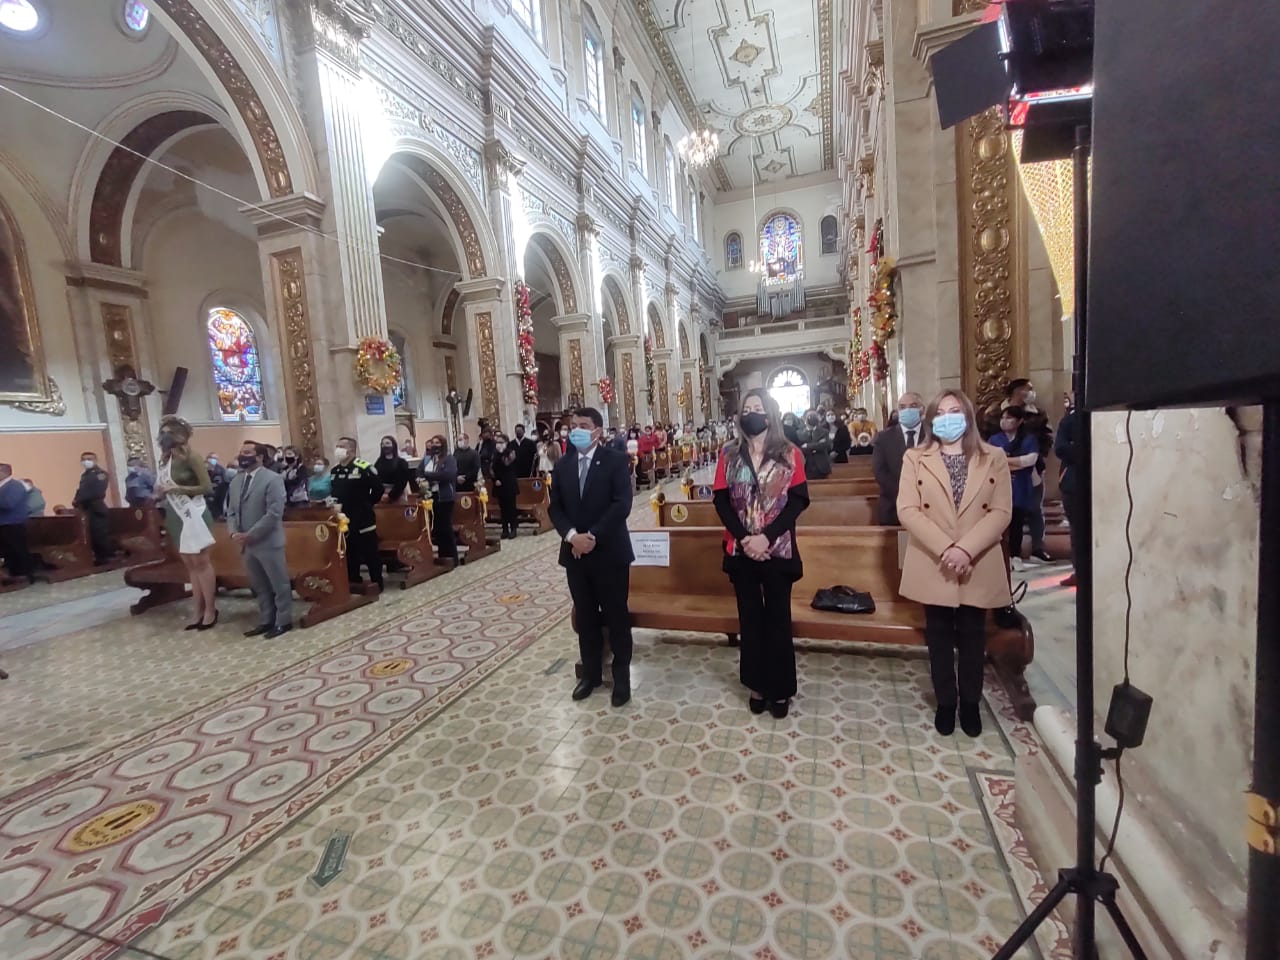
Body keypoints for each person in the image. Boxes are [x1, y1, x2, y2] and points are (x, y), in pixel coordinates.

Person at [897, 389, 1012, 737]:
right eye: (942, 412)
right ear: (932, 419)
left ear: (968, 415)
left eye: (956, 410)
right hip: (936, 558)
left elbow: (1002, 511)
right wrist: (948, 547)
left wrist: (965, 550)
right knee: (940, 637)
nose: (949, 417)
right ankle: (946, 702)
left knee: (974, 637)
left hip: (976, 558)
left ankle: (971, 703)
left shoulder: (993, 456)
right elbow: (907, 509)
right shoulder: (916, 457)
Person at [712, 389, 810, 718]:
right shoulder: (729, 455)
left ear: (769, 413)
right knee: (750, 620)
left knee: (778, 621)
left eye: (757, 407)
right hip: (741, 552)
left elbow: (798, 500)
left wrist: (766, 538)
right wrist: (744, 539)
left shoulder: (790, 453)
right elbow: (721, 500)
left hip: (777, 550)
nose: (751, 413)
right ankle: (756, 683)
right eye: (746, 408)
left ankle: (780, 689)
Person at [549, 407, 636, 707]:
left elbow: (621, 504)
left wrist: (592, 536)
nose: (576, 431)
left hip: (610, 552)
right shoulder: (563, 465)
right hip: (575, 554)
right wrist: (573, 536)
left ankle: (621, 677)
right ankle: (591, 674)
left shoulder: (615, 460)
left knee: (616, 615)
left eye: (583, 425)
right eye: (573, 426)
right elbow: (555, 508)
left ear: (598, 431)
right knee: (585, 616)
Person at [153, 417, 218, 629]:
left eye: (169, 432)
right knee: (189, 564)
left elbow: (207, 487)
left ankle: (210, 610)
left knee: (201, 562)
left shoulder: (193, 457)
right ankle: (196, 610)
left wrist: (177, 489)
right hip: (175, 515)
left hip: (195, 512)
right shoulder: (165, 461)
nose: (165, 436)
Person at [226, 442, 292, 638]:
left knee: (278, 584)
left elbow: (274, 513)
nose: (242, 456)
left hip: (267, 541)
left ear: (260, 457)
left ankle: (283, 620)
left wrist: (251, 534)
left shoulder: (272, 479)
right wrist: (234, 533)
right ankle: (266, 620)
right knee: (259, 585)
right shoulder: (236, 481)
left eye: (247, 453)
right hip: (246, 545)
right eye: (241, 452)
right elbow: (230, 511)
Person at [329, 437, 384, 591]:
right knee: (350, 552)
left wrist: (367, 504)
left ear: (351, 450)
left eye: (342, 446)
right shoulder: (335, 471)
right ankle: (354, 581)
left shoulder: (364, 468)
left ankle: (377, 582)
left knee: (370, 552)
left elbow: (378, 489)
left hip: (363, 517)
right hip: (343, 519)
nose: (338, 449)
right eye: (337, 446)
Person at [989, 405, 1040, 566]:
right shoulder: (995, 439)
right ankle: (1001, 556)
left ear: (1019, 421)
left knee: (1017, 520)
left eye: (1009, 418)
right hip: (999, 486)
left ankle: (1015, 556)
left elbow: (1030, 460)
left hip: (1020, 486)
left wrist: (1005, 461)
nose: (1004, 422)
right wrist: (1015, 463)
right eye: (1002, 418)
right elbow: (991, 462)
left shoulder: (1028, 439)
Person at [872, 392, 925, 526]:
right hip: (892, 507)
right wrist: (906, 493)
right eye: (902, 407)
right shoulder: (883, 438)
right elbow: (880, 472)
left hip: (929, 508)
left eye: (913, 406)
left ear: (922, 409)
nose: (907, 410)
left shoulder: (934, 435)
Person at [417, 434, 459, 565]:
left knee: (445, 527)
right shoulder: (428, 459)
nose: (434, 445)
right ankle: (442, 555)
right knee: (437, 529)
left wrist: (428, 476)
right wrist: (420, 478)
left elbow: (447, 475)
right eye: (433, 442)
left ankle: (452, 557)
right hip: (431, 497)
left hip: (445, 497)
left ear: (443, 444)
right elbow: (419, 472)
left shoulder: (449, 459)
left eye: (437, 443)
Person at [1055, 398, 1080, 587]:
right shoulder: (1069, 421)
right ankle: (1079, 570)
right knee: (1077, 530)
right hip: (1073, 483)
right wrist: (1084, 451)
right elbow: (1061, 448)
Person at [73, 452, 114, 564]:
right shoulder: (85, 475)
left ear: (95, 460)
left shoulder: (101, 474)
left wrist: (80, 499)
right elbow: (80, 490)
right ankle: (97, 556)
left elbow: (97, 492)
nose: (86, 461)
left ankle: (105, 557)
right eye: (84, 459)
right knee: (91, 533)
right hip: (86, 508)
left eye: (89, 459)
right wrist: (75, 500)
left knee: (99, 533)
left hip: (97, 507)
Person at [0, 463, 34, 585]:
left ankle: (25, 575)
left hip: (14, 523)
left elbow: (9, 503)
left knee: (18, 550)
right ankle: (13, 575)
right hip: (4, 524)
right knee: (8, 551)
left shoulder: (16, 486)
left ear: (5, 472)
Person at [490, 430, 521, 539]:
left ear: (506, 442)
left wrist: (503, 452)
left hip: (509, 482)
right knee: (502, 508)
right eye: (497, 442)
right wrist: (495, 480)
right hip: (499, 483)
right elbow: (491, 469)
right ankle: (504, 529)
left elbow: (507, 463)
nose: (498, 444)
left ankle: (513, 529)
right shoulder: (494, 453)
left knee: (511, 507)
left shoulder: (511, 452)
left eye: (501, 442)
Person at [796, 408, 833, 479]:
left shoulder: (824, 431)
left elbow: (825, 445)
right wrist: (817, 445)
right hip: (805, 466)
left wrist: (807, 445)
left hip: (821, 467)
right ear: (805, 419)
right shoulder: (799, 433)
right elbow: (799, 448)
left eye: (814, 416)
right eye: (809, 416)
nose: (812, 419)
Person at [376, 435, 413, 503]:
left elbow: (402, 482)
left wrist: (390, 495)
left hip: (398, 494)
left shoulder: (401, 462)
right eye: (382, 444)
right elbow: (376, 478)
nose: (385, 446)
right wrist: (381, 493)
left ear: (393, 445)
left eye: (387, 443)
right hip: (382, 495)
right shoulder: (379, 461)